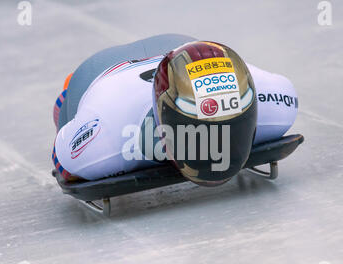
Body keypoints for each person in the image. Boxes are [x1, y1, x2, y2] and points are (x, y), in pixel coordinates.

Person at [52, 34, 298, 186]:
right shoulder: (105, 141)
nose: (217, 147)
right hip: (103, 73)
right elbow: (65, 160)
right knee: (67, 111)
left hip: (181, 48)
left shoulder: (278, 104)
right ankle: (68, 88)